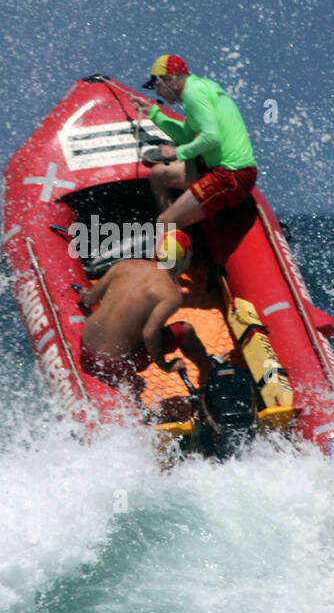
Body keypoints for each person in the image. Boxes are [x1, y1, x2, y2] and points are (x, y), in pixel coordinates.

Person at [127, 54, 258, 229]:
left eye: (157, 85)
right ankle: (179, 228)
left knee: (163, 223)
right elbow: (185, 136)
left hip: (231, 174)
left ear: (171, 79)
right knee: (157, 175)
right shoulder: (200, 87)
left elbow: (212, 138)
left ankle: (174, 236)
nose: (157, 92)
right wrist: (153, 113)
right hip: (220, 169)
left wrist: (176, 153)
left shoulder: (192, 94)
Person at [74, 230, 210, 396]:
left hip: (85, 347)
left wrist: (84, 293)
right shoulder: (170, 295)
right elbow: (149, 333)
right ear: (181, 260)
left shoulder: (124, 266)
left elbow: (88, 300)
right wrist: (164, 365)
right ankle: (207, 374)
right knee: (185, 330)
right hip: (114, 363)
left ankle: (130, 378)